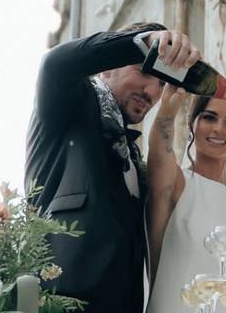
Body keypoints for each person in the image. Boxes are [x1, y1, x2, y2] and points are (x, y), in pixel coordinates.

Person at [25, 22, 201, 313]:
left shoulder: (132, 155)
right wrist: (145, 41)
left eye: (160, 82)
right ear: (107, 68)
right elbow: (55, 64)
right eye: (144, 71)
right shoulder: (70, 104)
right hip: (60, 300)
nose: (151, 91)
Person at [145, 88, 226, 313]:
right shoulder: (177, 182)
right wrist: (167, 110)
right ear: (191, 123)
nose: (219, 128)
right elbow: (159, 149)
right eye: (209, 117)